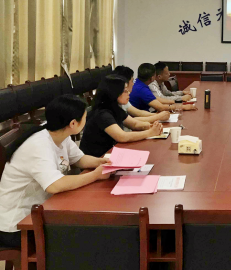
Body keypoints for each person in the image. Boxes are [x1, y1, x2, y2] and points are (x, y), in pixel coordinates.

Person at [0, 95, 112, 248]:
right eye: (85, 118)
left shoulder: (60, 134)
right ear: (73, 123)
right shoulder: (39, 145)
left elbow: (79, 159)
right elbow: (55, 185)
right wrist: (95, 175)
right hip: (18, 226)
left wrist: (101, 162)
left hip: (42, 211)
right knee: (87, 235)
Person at [79, 75, 164, 157]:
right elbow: (122, 136)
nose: (128, 93)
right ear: (114, 93)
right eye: (125, 91)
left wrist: (150, 127)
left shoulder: (114, 107)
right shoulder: (102, 113)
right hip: (98, 159)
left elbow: (134, 124)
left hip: (111, 153)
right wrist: (149, 133)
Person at [130, 63, 195, 113]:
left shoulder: (139, 83)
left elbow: (157, 98)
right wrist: (182, 106)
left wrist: (178, 101)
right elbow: (161, 107)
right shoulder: (142, 89)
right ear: (152, 78)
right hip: (140, 117)